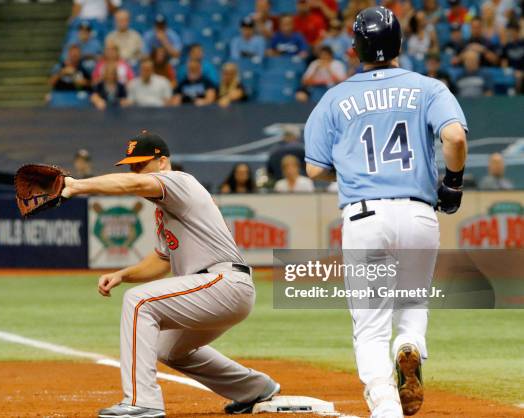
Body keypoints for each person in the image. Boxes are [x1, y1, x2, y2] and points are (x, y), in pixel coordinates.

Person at [304, 6, 467, 418]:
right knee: (412, 303)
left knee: (370, 324)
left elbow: (315, 169)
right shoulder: (428, 87)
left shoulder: (335, 97)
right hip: (418, 214)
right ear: (398, 44)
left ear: (356, 48)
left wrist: (351, 162)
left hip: (364, 216)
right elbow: (453, 137)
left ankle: (384, 402)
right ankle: (407, 345)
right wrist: (453, 182)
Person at [60, 131, 280, 418]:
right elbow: (162, 262)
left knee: (138, 302)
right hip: (216, 289)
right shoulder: (165, 209)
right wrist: (123, 274)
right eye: (131, 165)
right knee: (169, 350)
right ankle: (255, 389)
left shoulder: (179, 182)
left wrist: (77, 186)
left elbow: (134, 184)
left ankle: (143, 401)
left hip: (223, 284)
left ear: (163, 162)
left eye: (141, 164)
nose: (135, 171)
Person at [499, 21, 523, 93]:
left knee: (519, 78)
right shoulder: (506, 46)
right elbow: (504, 62)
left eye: (513, 32)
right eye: (509, 32)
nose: (511, 34)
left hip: (521, 73)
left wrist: (522, 73)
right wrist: (508, 72)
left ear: (517, 32)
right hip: (511, 73)